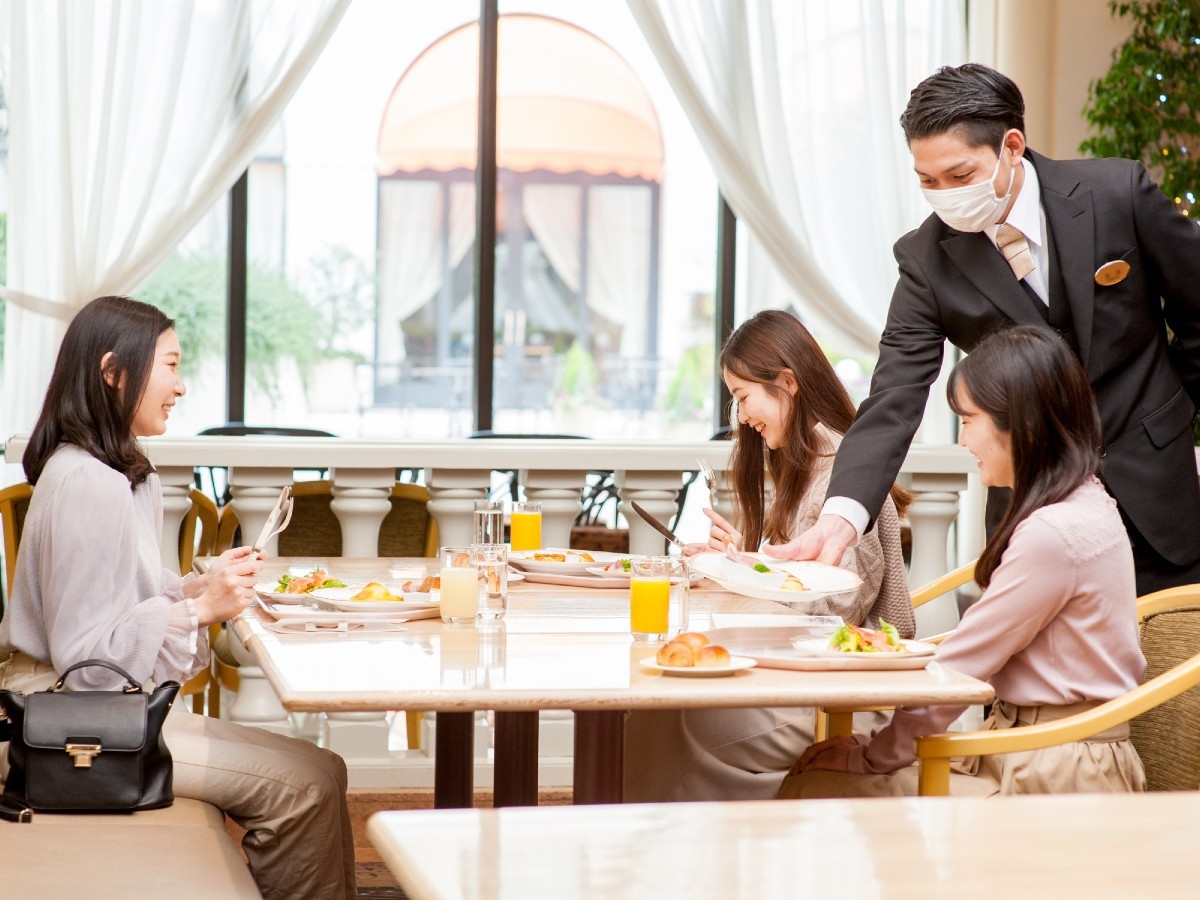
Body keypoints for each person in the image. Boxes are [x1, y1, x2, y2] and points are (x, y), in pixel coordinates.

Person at [772, 63, 1200, 597]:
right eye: (927, 181)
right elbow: (895, 394)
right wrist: (841, 517)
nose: (945, 195)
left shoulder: (1117, 193)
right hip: (1029, 518)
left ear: (1011, 146)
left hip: (1156, 496)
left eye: (960, 176)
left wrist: (1175, 410)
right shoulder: (926, 259)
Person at [0, 296, 356, 900]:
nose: (181, 385)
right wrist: (199, 610)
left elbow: (114, 603)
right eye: (169, 365)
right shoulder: (91, 483)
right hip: (63, 724)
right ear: (114, 372)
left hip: (86, 711)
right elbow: (89, 665)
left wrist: (198, 586)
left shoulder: (109, 472)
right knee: (308, 785)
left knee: (322, 769)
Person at [778, 326, 1146, 799]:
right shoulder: (1086, 501)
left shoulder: (1052, 533)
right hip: (1050, 753)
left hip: (1054, 771)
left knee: (815, 786)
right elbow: (969, 655)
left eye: (969, 420)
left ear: (1022, 424)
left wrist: (868, 754)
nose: (963, 439)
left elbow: (960, 670)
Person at [624, 309, 912, 802]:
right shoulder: (812, 468)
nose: (739, 417)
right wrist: (745, 561)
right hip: (800, 679)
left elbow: (831, 613)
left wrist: (748, 574)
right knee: (657, 713)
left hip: (844, 696)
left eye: (742, 397)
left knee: (670, 723)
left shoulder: (845, 485)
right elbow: (802, 590)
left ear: (787, 382)